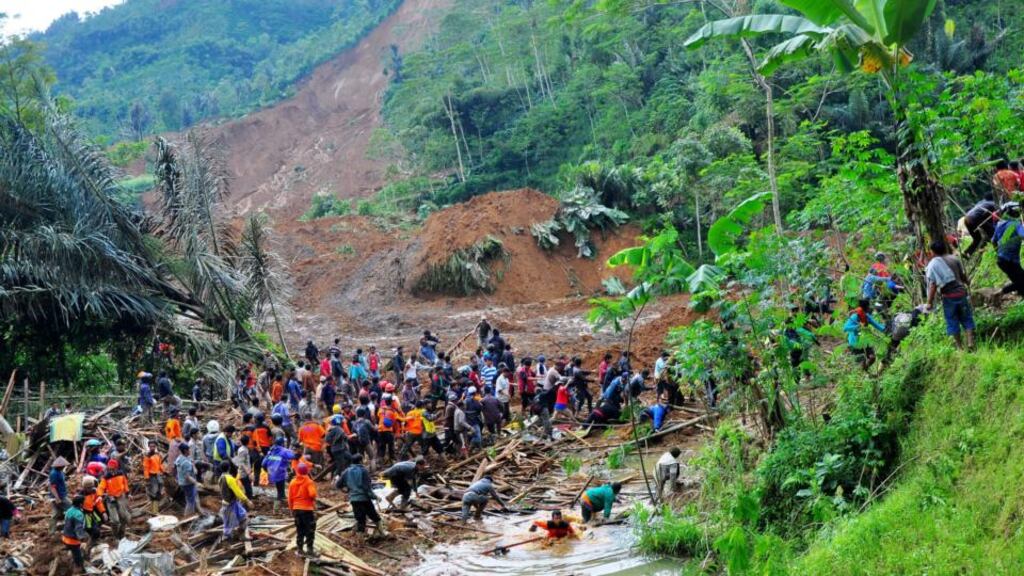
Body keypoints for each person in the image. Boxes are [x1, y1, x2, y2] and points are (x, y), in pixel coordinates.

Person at [925, 239, 975, 349]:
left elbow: (933, 285)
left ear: (933, 252)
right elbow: (962, 276)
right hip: (961, 294)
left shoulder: (933, 265)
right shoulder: (954, 259)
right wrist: (967, 282)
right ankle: (970, 342)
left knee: (952, 320)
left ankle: (959, 347)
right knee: (966, 318)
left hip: (949, 297)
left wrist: (929, 302)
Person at [340, 454, 384, 536]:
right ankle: (383, 533)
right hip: (364, 499)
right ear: (360, 461)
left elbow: (338, 484)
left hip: (354, 499)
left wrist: (346, 490)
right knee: (375, 517)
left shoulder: (346, 471)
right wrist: (375, 497)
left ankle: (360, 542)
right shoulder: (363, 471)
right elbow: (367, 488)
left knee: (360, 520)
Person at [843, 299, 886, 370]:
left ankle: (864, 370)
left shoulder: (866, 316)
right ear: (866, 307)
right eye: (869, 306)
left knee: (872, 358)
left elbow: (877, 325)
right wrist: (858, 326)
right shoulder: (855, 316)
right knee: (860, 361)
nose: (870, 308)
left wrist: (886, 330)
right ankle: (861, 372)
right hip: (855, 342)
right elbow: (845, 328)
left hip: (865, 341)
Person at [993, 202, 1024, 295]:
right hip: (1010, 261)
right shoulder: (1016, 224)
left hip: (1001, 260)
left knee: (1020, 282)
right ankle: (1000, 292)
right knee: (1021, 282)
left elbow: (993, 240)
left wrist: (998, 252)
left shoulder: (1000, 224)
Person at [288, 462, 318, 557]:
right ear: (307, 471)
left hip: (296, 509)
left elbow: (289, 498)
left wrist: (291, 509)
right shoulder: (308, 481)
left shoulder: (292, 482)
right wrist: (312, 500)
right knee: (310, 529)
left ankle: (300, 549)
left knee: (300, 529)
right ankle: (310, 549)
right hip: (307, 509)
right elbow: (312, 494)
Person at [218, 461, 251, 540]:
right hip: (231, 504)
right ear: (229, 468)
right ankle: (229, 538)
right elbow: (238, 492)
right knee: (232, 523)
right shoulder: (230, 479)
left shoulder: (220, 478)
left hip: (228, 503)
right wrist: (247, 500)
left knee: (240, 518)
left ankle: (240, 536)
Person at [98, 459, 130, 538]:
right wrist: (99, 495)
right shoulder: (106, 477)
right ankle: (116, 536)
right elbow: (101, 487)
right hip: (111, 498)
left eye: (113, 468)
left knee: (124, 517)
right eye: (110, 468)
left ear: (116, 467)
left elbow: (125, 484)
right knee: (115, 521)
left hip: (121, 497)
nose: (111, 470)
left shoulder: (121, 474)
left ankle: (122, 534)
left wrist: (128, 493)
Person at [264, 437, 296, 511]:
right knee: (280, 489)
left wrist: (267, 470)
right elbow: (293, 456)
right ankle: (277, 507)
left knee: (279, 488)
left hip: (272, 472)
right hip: (280, 472)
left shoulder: (271, 450)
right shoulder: (284, 451)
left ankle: (281, 499)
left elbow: (264, 463)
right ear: (282, 443)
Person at [62, 495, 88, 574]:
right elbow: (78, 528)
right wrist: (82, 539)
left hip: (65, 537)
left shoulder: (69, 510)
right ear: (80, 504)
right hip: (73, 540)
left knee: (72, 551)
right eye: (83, 503)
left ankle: (70, 559)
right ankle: (80, 569)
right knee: (78, 557)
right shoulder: (79, 514)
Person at [176, 444, 201, 516]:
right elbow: (187, 477)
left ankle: (191, 514)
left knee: (190, 499)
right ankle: (187, 516)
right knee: (190, 501)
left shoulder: (180, 458)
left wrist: (193, 465)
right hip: (187, 484)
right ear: (185, 451)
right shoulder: (186, 463)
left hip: (182, 482)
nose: (190, 451)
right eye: (189, 450)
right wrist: (196, 483)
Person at [49, 456, 70, 534]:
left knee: (56, 513)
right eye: (63, 466)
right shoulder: (54, 473)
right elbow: (52, 487)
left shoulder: (60, 472)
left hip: (61, 494)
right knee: (71, 509)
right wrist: (57, 498)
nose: (64, 466)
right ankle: (68, 529)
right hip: (59, 496)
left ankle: (52, 531)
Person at [143, 444, 164, 514]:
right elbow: (146, 468)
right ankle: (154, 511)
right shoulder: (147, 456)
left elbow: (160, 464)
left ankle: (154, 510)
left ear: (155, 447)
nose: (152, 448)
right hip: (151, 476)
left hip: (157, 475)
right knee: (153, 493)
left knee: (157, 492)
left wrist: (163, 471)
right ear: (148, 447)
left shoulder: (157, 455)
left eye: (153, 446)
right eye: (151, 446)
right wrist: (147, 478)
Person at [233, 435, 254, 500]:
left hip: (245, 471)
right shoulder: (243, 450)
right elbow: (241, 463)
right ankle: (248, 501)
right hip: (243, 473)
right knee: (248, 489)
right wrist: (248, 473)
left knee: (247, 487)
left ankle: (247, 500)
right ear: (248, 442)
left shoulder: (243, 449)